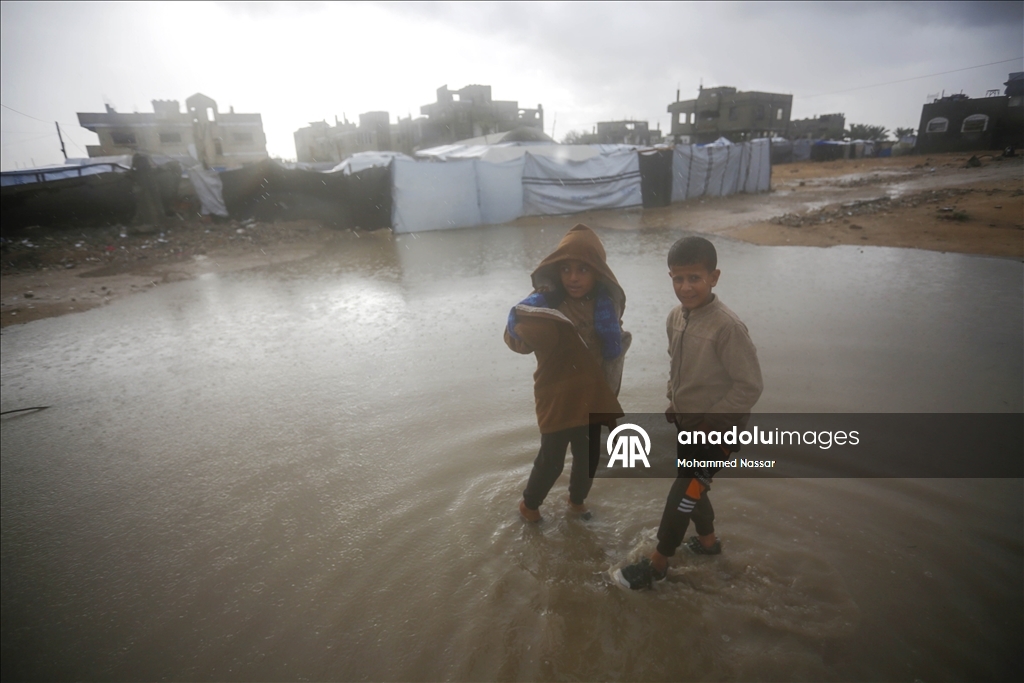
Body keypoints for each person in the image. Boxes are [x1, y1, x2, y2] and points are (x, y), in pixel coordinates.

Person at [614, 236, 762, 589]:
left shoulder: (727, 327)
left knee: (683, 492)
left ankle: (658, 564)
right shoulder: (675, 318)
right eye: (677, 278)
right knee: (694, 487)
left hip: (718, 429)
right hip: (687, 421)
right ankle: (708, 544)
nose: (685, 287)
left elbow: (749, 386)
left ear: (714, 277)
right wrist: (673, 400)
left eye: (694, 278)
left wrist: (713, 420)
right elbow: (677, 366)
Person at [505, 224, 631, 522]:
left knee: (587, 458)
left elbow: (614, 356)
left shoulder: (606, 308)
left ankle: (576, 503)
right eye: (566, 269)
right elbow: (517, 343)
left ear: (598, 272)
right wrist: (523, 331)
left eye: (583, 270)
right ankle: (530, 505)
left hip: (592, 396)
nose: (573, 277)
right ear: (556, 271)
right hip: (556, 395)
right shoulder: (544, 306)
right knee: (551, 460)